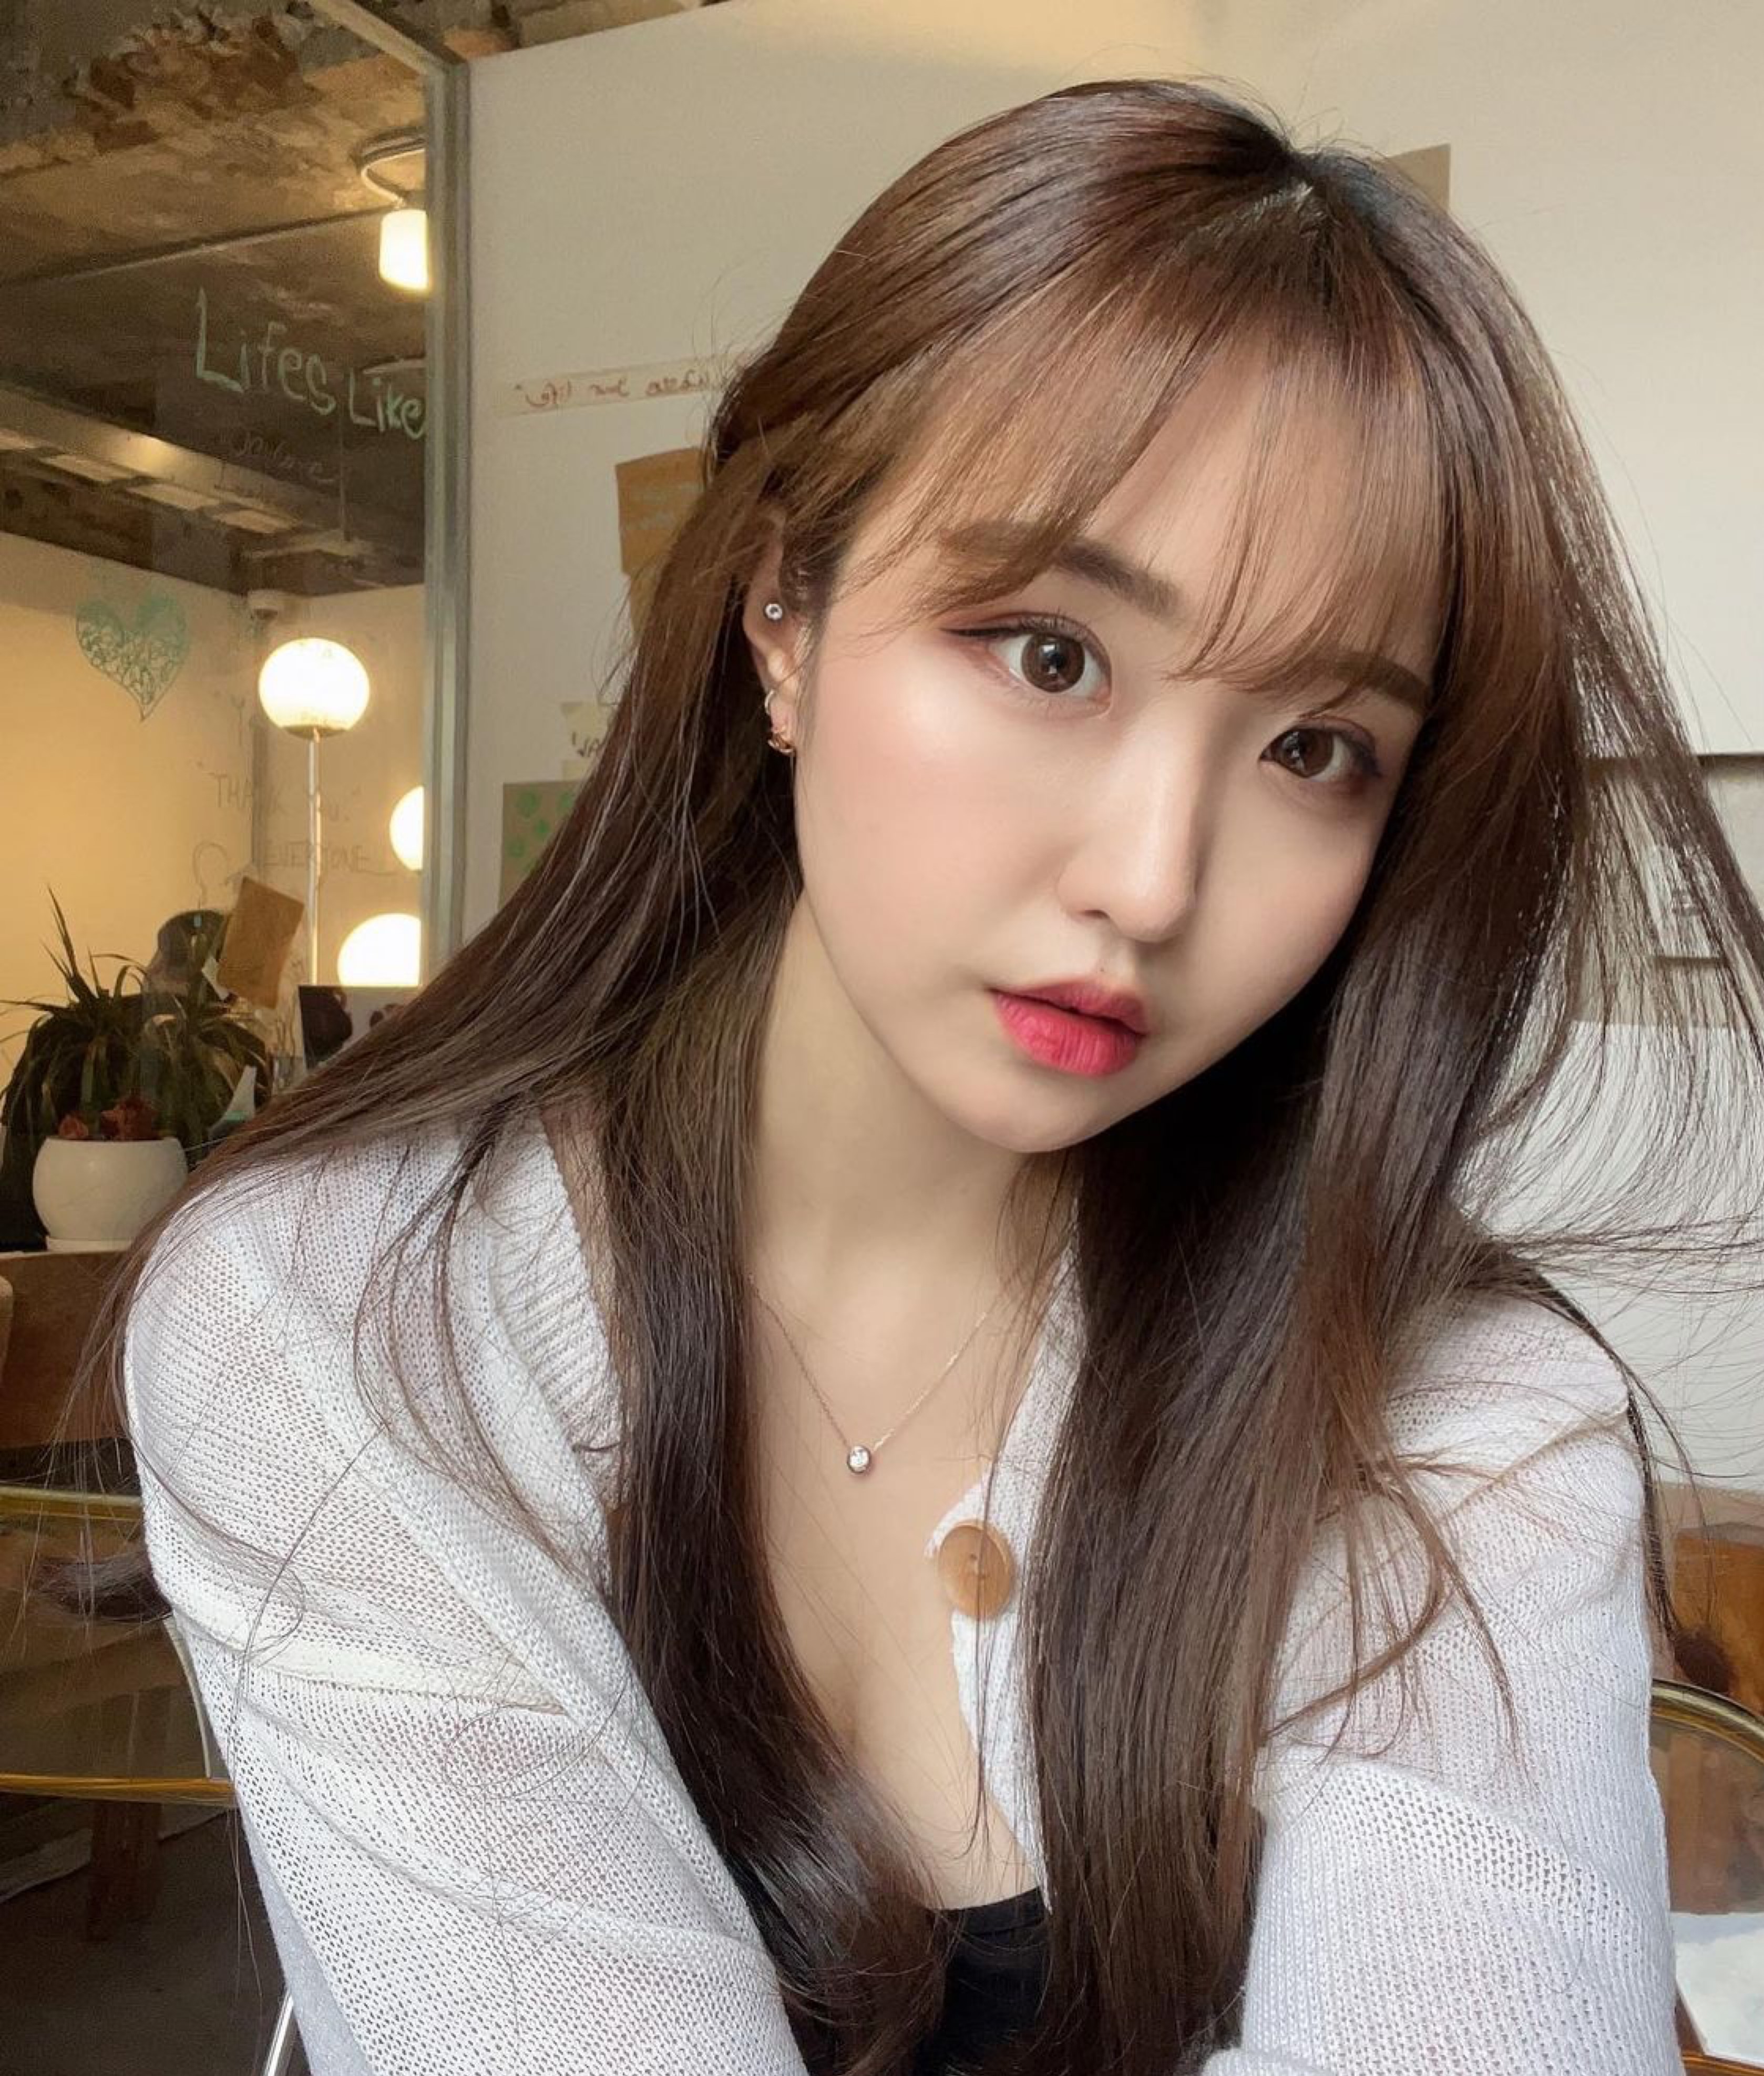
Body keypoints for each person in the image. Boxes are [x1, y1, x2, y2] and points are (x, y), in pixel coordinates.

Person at [79, 75, 1758, 2076]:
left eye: (1316, 749)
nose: (1150, 882)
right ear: (781, 614)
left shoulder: (1450, 1400)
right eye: (1049, 653)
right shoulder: (359, 1319)